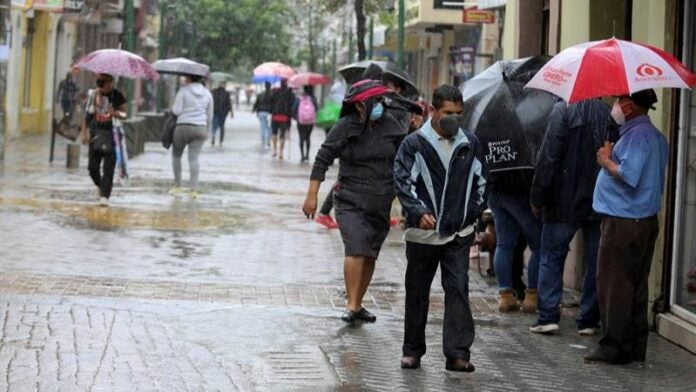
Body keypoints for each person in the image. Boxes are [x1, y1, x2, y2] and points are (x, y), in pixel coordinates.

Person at [394, 85, 486, 372]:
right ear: (433, 111)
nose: (454, 119)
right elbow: (403, 182)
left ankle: (458, 353)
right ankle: (412, 351)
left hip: (458, 235)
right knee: (417, 291)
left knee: (458, 289)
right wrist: (419, 212)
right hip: (423, 235)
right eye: (448, 113)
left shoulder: (470, 143)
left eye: (459, 114)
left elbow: (482, 185)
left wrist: (468, 216)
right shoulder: (414, 144)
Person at [302, 79, 406, 323]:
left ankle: (357, 304)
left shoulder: (391, 125)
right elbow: (322, 159)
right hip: (350, 199)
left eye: (382, 100)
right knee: (356, 248)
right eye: (375, 101)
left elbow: (405, 158)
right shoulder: (345, 127)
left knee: (370, 254)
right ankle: (351, 304)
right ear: (360, 106)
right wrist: (312, 195)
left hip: (381, 201)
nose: (380, 106)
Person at [584, 89, 668, 364]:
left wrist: (606, 160)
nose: (615, 105)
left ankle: (614, 346)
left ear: (630, 106)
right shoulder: (654, 136)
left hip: (624, 222)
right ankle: (633, 345)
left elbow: (629, 175)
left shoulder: (638, 136)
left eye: (619, 101)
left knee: (614, 285)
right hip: (641, 221)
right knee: (635, 285)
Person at [528, 99, 616, 335]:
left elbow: (548, 156)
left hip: (562, 200)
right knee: (596, 260)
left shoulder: (562, 111)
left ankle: (548, 316)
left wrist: (537, 197)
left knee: (551, 257)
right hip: (599, 200)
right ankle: (588, 319)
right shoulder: (609, 114)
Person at [487, 159, 541, 312]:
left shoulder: (489, 134)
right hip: (519, 190)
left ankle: (506, 297)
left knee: (504, 244)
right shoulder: (526, 134)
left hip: (495, 189)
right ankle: (532, 297)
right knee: (538, 245)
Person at [79, 73, 127, 207]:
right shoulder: (93, 96)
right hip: (95, 135)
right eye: (103, 84)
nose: (106, 87)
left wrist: (115, 113)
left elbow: (125, 114)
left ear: (111, 82)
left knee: (108, 168)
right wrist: (84, 133)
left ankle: (105, 196)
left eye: (108, 84)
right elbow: (86, 116)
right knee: (92, 168)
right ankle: (101, 186)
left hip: (111, 135)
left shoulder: (117, 95)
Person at [170, 74, 213, 198]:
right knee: (193, 158)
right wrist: (208, 132)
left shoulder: (183, 91)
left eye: (185, 78)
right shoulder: (207, 94)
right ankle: (193, 189)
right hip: (200, 128)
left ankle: (177, 186)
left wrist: (174, 107)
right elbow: (210, 116)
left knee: (176, 156)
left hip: (183, 126)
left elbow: (176, 111)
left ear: (189, 79)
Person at [269, 79, 295, 159]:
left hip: (275, 115)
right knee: (282, 135)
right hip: (285, 117)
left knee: (274, 133)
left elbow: (270, 102)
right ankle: (281, 153)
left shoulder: (275, 91)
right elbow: (292, 104)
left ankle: (274, 150)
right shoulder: (290, 93)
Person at [294, 85, 318, 162]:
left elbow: (293, 109)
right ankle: (307, 155)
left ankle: (302, 156)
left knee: (301, 137)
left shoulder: (299, 99)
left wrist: (297, 118)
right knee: (308, 137)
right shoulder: (313, 99)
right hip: (310, 122)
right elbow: (317, 109)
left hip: (300, 121)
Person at [252, 82, 273, 147]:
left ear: (265, 86)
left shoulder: (260, 94)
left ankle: (263, 141)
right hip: (270, 113)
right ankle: (268, 140)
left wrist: (254, 110)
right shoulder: (273, 94)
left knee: (262, 127)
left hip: (261, 112)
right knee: (269, 128)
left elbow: (256, 103)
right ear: (270, 86)